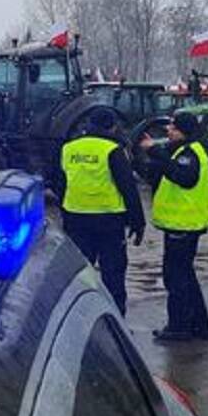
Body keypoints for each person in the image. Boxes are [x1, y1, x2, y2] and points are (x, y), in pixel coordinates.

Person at [137, 112, 208, 342]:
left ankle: (179, 326)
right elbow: (157, 175)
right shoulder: (180, 150)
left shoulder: (190, 153)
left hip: (184, 224)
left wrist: (156, 151)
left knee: (176, 276)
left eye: (174, 127)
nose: (169, 130)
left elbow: (184, 178)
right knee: (184, 275)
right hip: (179, 223)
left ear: (184, 131)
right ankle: (199, 326)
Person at [60, 108, 146, 314]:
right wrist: (138, 222)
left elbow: (60, 182)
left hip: (76, 219)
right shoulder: (112, 150)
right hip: (109, 221)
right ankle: (115, 319)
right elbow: (128, 188)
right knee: (113, 274)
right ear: (112, 126)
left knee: (80, 273)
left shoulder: (69, 148)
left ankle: (79, 315)